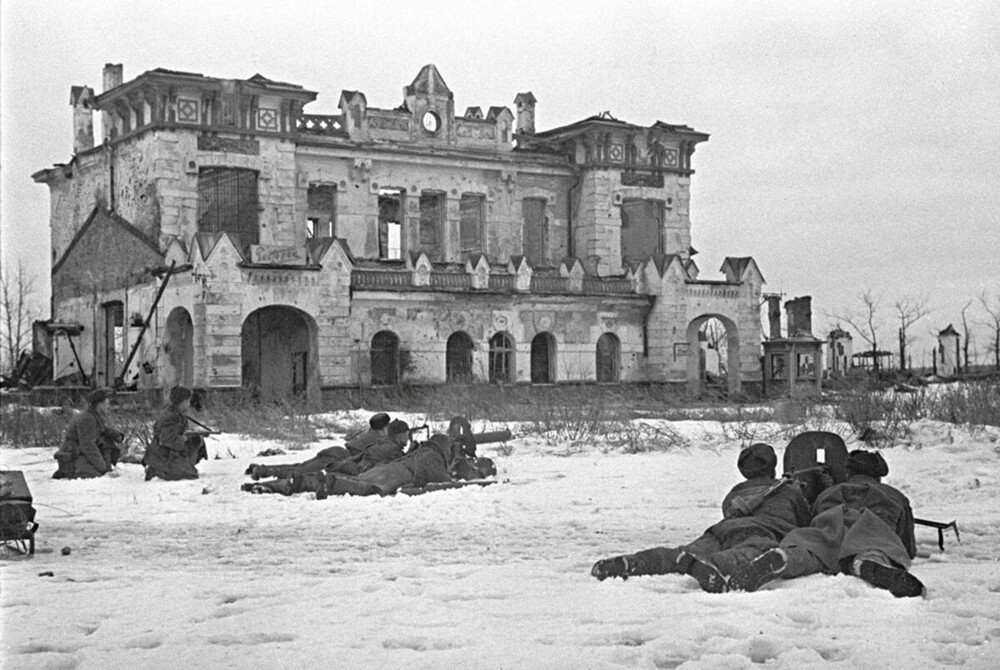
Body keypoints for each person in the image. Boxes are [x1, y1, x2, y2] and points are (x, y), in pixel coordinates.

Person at [591, 443, 812, 592]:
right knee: (743, 554)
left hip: (721, 530)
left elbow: (728, 511)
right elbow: (804, 522)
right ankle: (707, 565)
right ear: (773, 467)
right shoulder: (789, 491)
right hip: (762, 532)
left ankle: (636, 562)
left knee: (683, 552)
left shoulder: (734, 492)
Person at [723, 449, 924, 598]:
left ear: (848, 474)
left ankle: (787, 558)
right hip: (872, 525)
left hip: (830, 519)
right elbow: (907, 543)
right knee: (875, 547)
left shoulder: (829, 493)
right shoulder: (894, 496)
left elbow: (812, 518)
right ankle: (869, 562)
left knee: (813, 549)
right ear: (879, 475)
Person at [243, 414, 405, 480]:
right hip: (339, 457)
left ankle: (262, 469)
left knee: (300, 467)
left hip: (337, 452)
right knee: (301, 471)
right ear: (383, 428)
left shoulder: (369, 433)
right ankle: (262, 471)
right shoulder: (378, 438)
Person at [53, 388, 123, 479]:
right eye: (107, 403)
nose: (108, 406)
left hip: (77, 451)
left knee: (106, 441)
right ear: (99, 405)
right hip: (72, 455)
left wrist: (116, 435)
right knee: (92, 474)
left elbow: (101, 430)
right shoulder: (87, 418)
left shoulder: (93, 416)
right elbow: (88, 445)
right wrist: (103, 468)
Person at [144, 386, 206, 481]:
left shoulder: (172, 412)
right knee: (190, 475)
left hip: (161, 453)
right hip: (164, 455)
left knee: (197, 440)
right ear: (183, 401)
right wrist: (184, 438)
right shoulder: (174, 416)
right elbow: (167, 439)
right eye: (187, 400)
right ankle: (157, 470)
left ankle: (177, 465)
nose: (189, 404)